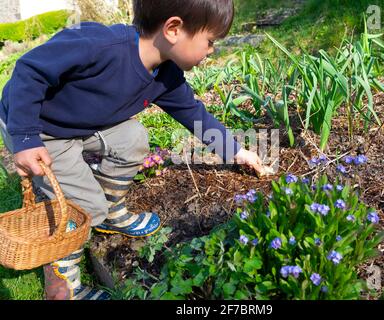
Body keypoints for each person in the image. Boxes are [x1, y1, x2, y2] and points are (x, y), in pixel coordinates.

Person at [0, 0, 264, 300]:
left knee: (133, 137)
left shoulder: (166, 76)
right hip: (40, 129)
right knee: (87, 206)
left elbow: (195, 114)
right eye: (210, 41)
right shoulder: (99, 44)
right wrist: (25, 139)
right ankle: (63, 286)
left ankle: (111, 213)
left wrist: (236, 152)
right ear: (174, 29)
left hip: (79, 125)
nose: (211, 51)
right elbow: (29, 70)